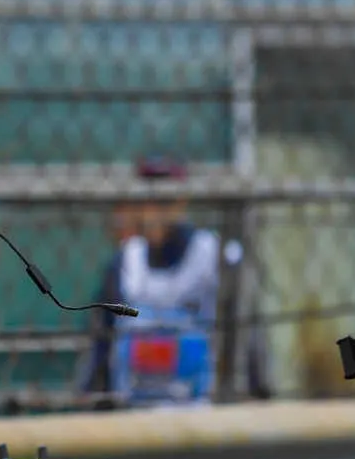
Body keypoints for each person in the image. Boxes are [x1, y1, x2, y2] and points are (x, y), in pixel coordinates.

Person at [78, 156, 268, 408]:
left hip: (201, 414)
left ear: (181, 202)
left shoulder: (216, 258)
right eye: (148, 200)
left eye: (164, 200)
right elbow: (100, 347)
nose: (154, 212)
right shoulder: (126, 262)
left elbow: (251, 353)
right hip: (133, 416)